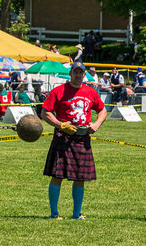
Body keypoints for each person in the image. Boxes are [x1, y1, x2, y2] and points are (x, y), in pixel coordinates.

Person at [41, 62, 108, 220]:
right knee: (57, 175)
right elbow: (45, 112)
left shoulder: (91, 92)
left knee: (80, 177)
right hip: (63, 137)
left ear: (84, 75)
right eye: (75, 72)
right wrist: (60, 124)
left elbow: (102, 110)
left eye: (81, 73)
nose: (78, 76)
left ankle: (77, 214)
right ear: (70, 73)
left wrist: (96, 124)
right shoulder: (58, 91)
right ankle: (54, 213)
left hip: (82, 137)